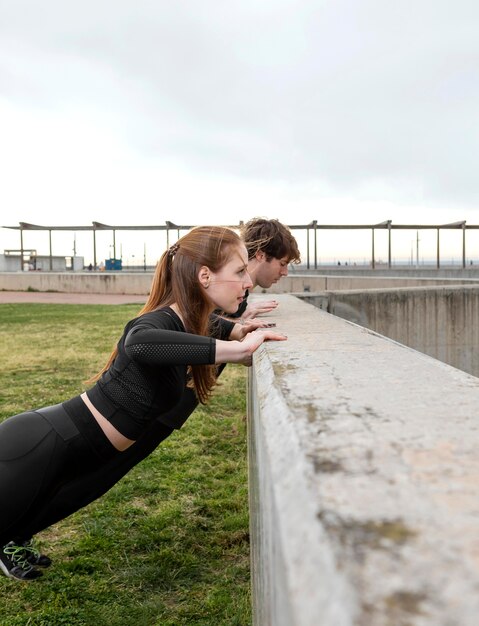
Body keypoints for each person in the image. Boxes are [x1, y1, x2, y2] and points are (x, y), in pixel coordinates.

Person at [0, 226, 287, 581]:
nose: (247, 282)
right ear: (205, 276)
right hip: (39, 446)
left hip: (73, 451)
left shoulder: (187, 320)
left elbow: (199, 329)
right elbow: (141, 340)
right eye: (239, 272)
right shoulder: (159, 321)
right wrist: (238, 349)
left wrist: (235, 330)